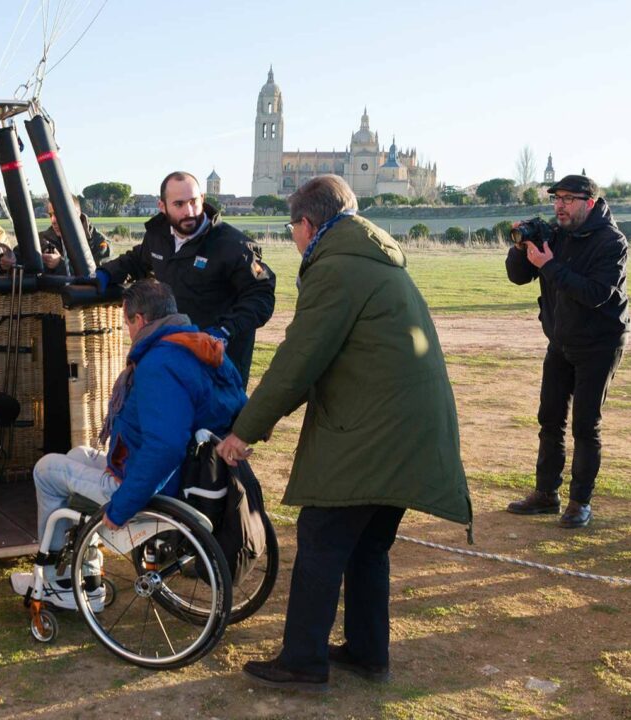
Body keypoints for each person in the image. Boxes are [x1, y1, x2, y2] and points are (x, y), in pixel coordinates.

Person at [215, 175, 471, 692]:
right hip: (410, 428)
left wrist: (243, 431)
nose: (295, 239)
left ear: (308, 224)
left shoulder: (336, 270)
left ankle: (303, 661)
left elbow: (298, 361)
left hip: (375, 429)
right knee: (368, 545)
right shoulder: (374, 257)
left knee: (322, 538)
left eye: (294, 229)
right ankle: (367, 651)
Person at [8, 279, 247, 610]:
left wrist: (122, 506)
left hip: (156, 487)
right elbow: (238, 403)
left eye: (126, 323)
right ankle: (87, 576)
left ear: (140, 320)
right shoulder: (202, 345)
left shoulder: (159, 364)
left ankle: (49, 579)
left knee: (47, 469)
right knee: (78, 455)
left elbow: (164, 448)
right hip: (192, 475)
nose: (127, 331)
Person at [504, 174, 629, 529]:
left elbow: (595, 293)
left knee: (585, 425)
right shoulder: (554, 236)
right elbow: (518, 276)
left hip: (600, 342)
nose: (560, 205)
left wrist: (550, 265)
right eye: (556, 198)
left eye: (568, 199)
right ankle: (546, 494)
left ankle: (579, 502)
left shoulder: (612, 242)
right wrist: (520, 248)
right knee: (549, 419)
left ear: (588, 202)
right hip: (561, 339)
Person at [95, 171, 275, 383]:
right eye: (179, 204)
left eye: (193, 202)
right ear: (162, 206)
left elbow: (261, 296)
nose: (189, 211)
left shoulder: (233, 246)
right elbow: (136, 260)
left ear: (203, 199)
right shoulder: (158, 236)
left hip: (219, 363)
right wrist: (105, 273)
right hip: (174, 354)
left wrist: (225, 330)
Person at [31, 195, 110, 275]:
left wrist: (60, 264)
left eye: (57, 214)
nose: (53, 220)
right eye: (51, 215)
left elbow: (95, 278)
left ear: (76, 215)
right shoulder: (42, 239)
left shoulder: (100, 244)